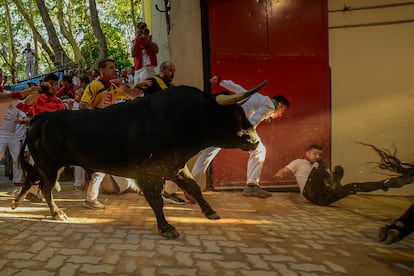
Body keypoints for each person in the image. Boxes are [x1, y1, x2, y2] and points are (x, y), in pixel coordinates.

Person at [191, 76, 289, 198]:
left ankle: (191, 186)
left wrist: (221, 81)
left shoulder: (256, 96)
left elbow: (236, 87)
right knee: (260, 150)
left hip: (222, 125)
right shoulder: (269, 105)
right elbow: (254, 120)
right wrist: (248, 135)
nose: (280, 115)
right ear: (279, 104)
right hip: (237, 128)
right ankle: (252, 186)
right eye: (283, 110)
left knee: (208, 153)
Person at [79, 58, 139, 209]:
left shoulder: (114, 86)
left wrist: (125, 87)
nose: (114, 70)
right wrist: (98, 118)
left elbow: (133, 96)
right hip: (96, 133)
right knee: (100, 168)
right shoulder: (95, 85)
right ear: (102, 71)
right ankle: (90, 199)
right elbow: (83, 104)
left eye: (115, 67)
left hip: (109, 132)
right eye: (111, 67)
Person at [274, 144, 408, 206]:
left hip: (323, 198)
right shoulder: (300, 162)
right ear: (307, 154)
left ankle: (383, 184)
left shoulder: (320, 166)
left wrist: (329, 180)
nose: (318, 156)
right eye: (315, 153)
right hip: (310, 192)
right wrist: (279, 173)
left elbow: (322, 171)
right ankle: (334, 182)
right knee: (320, 166)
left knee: (352, 186)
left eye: (320, 154)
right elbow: (285, 170)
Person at [139, 61, 185, 204]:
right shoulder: (153, 81)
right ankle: (163, 190)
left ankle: (165, 190)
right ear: (163, 70)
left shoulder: (169, 85)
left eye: (174, 70)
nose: (173, 74)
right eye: (170, 70)